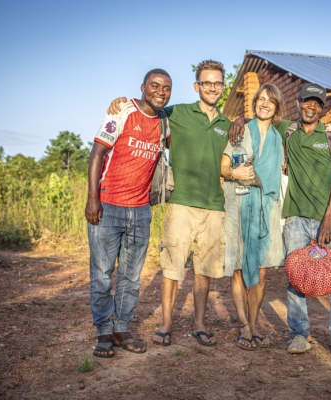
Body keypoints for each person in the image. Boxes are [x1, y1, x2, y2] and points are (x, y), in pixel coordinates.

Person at [107, 60, 231, 347]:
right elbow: (148, 106)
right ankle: (165, 324)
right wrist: (123, 102)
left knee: (203, 270)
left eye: (217, 83)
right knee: (172, 268)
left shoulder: (227, 124)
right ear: (197, 86)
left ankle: (199, 325)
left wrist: (240, 121)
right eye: (206, 82)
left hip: (214, 206)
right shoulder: (177, 113)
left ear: (223, 87)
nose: (212, 87)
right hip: (181, 204)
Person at [231, 83, 331, 359]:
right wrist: (240, 119)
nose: (311, 107)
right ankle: (299, 335)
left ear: (322, 108)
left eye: (317, 104)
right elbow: (262, 118)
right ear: (298, 103)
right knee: (296, 279)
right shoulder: (287, 129)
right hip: (296, 218)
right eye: (307, 102)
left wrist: (327, 219)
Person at [86, 69, 172, 358]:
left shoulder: (164, 123)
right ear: (143, 87)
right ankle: (103, 333)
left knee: (131, 278)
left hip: (141, 211)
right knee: (101, 275)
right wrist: (92, 199)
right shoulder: (122, 111)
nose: (161, 91)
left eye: (167, 88)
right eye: (155, 85)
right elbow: (97, 154)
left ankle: (121, 329)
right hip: (108, 207)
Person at [221, 84, 285, 350]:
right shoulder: (241, 130)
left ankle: (255, 321)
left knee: (261, 269)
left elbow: (277, 172)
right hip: (238, 204)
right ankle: (244, 325)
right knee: (238, 266)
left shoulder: (278, 138)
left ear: (277, 106)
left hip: (267, 207)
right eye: (260, 99)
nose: (265, 103)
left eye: (270, 100)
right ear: (254, 103)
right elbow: (225, 167)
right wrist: (236, 174)